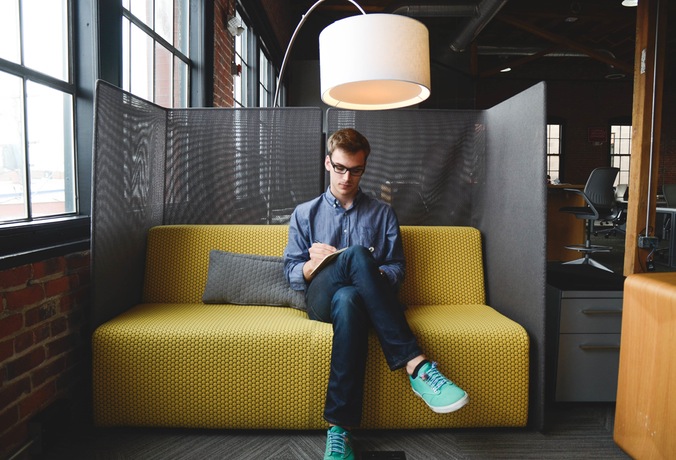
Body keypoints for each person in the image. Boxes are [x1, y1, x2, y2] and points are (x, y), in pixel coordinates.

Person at [283, 128, 469, 460]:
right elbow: (292, 273)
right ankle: (416, 365)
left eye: (355, 170)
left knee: (350, 297)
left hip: (361, 303)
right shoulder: (304, 213)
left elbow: (396, 267)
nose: (346, 178)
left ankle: (339, 430)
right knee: (354, 256)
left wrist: (370, 273)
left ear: (364, 168)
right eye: (340, 168)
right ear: (328, 163)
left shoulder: (382, 213)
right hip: (320, 300)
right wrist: (315, 264)